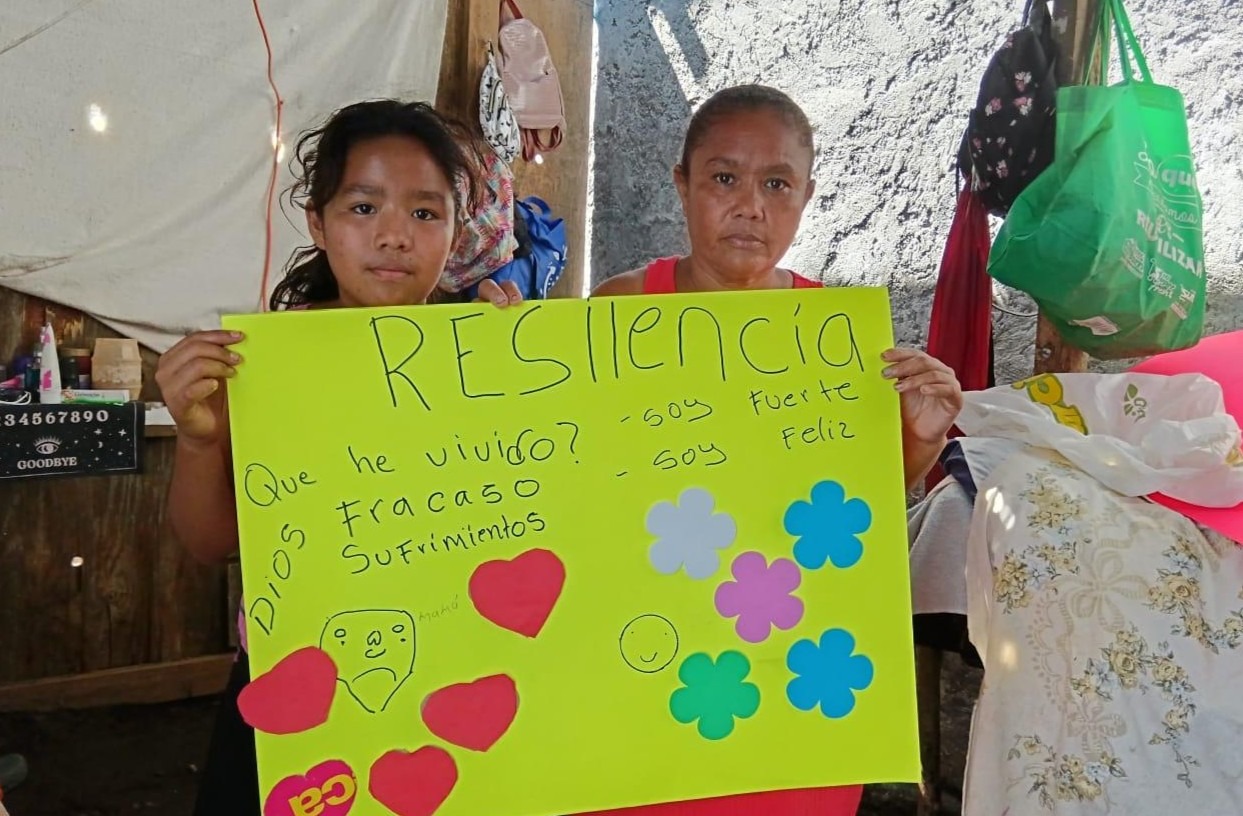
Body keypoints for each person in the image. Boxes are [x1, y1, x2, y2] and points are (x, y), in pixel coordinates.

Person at [589, 84, 964, 815]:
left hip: (789, 657)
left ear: (805, 195)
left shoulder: (835, 336)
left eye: (775, 184)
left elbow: (860, 505)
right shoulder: (619, 308)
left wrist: (918, 437)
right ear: (682, 184)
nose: (748, 205)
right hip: (647, 644)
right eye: (723, 178)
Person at [154, 100, 522, 816]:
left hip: (449, 677)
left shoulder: (482, 352)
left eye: (425, 213)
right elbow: (212, 544)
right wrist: (199, 438)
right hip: (296, 681)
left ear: (455, 232)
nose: (393, 235)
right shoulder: (262, 364)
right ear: (319, 225)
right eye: (363, 206)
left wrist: (521, 375)